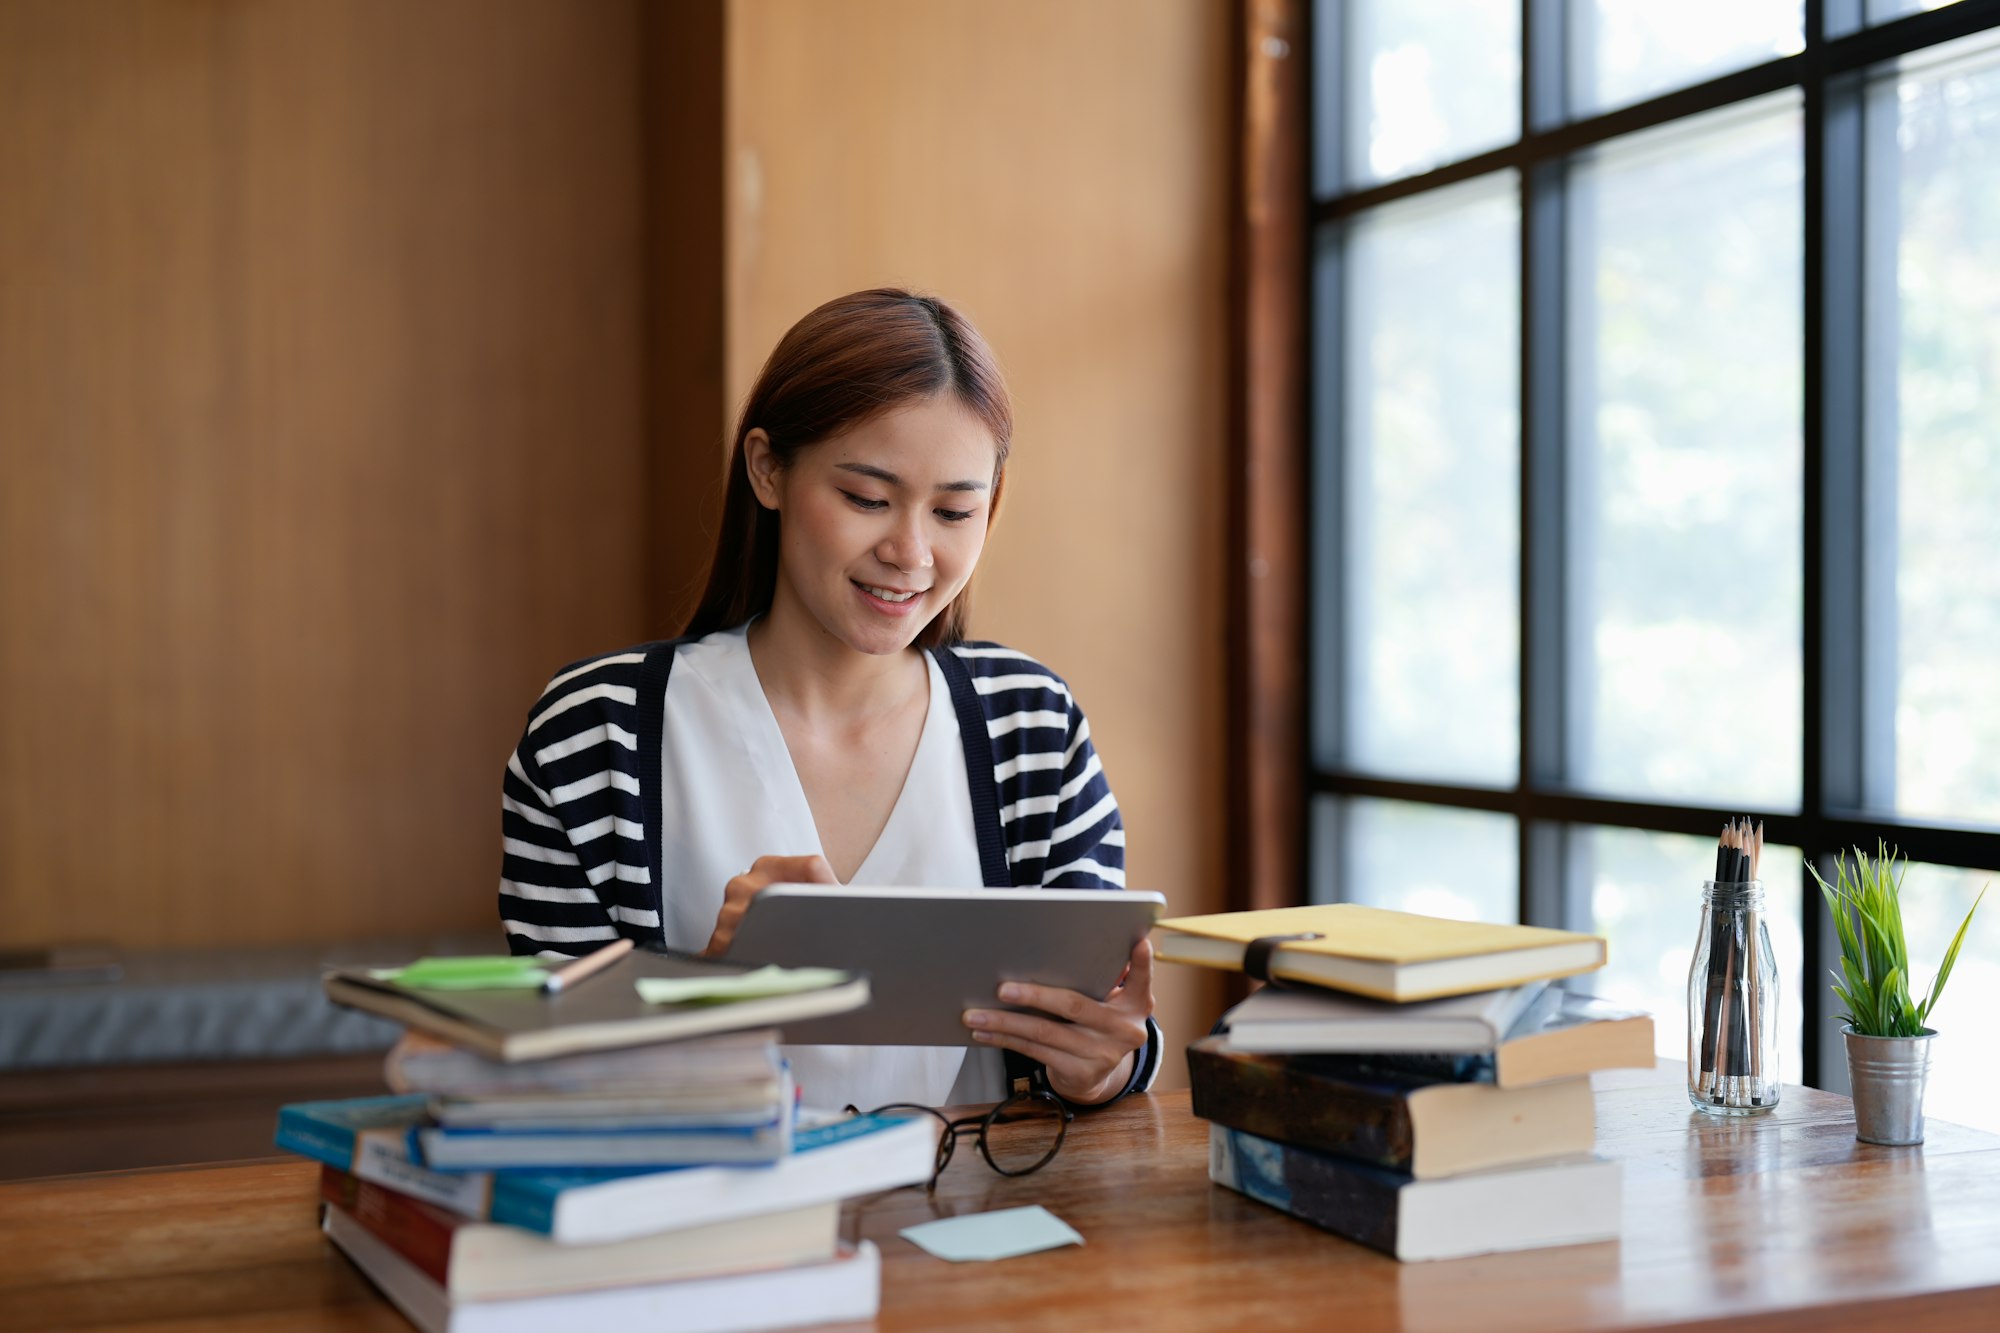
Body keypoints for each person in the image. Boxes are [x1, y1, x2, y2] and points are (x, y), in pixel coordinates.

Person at [497, 288, 1159, 1113]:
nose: (910, 552)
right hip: (712, 1232)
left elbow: (1108, 1036)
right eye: (866, 498)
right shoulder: (595, 737)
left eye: (955, 510)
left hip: (985, 1223)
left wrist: (1098, 1063)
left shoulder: (1032, 726)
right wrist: (707, 996)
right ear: (767, 468)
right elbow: (535, 1078)